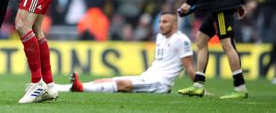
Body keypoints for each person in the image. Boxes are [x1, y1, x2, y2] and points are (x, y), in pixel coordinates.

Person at [54, 11, 195, 94]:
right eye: (160, 21)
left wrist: (198, 87)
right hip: (148, 76)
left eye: (165, 22)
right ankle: (63, 88)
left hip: (160, 83)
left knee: (121, 84)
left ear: (175, 24)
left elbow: (189, 67)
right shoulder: (160, 36)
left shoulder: (182, 40)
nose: (161, 25)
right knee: (111, 80)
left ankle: (81, 87)